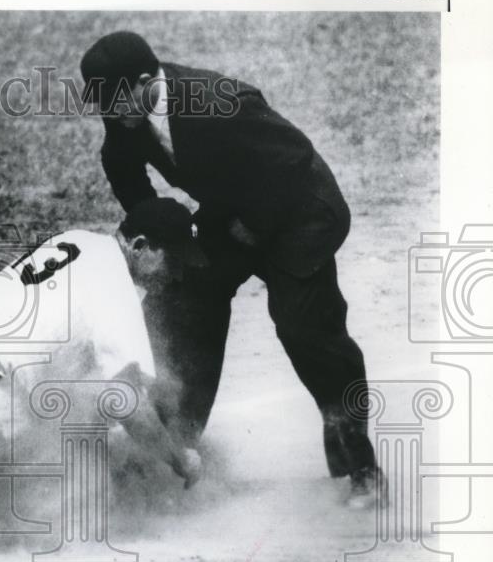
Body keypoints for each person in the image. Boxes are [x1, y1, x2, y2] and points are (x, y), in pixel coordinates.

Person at [80, 30, 383, 507]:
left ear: (144, 83)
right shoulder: (126, 113)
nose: (108, 115)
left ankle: (361, 469)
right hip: (232, 212)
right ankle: (176, 455)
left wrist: (252, 226)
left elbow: (293, 160)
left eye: (113, 102)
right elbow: (120, 166)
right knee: (183, 297)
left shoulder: (220, 101)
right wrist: (169, 235)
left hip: (299, 212)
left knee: (307, 332)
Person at [0, 219, 203, 488]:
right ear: (139, 246)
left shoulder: (80, 239)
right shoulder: (115, 282)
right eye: (173, 261)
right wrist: (179, 459)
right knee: (51, 506)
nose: (177, 275)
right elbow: (126, 401)